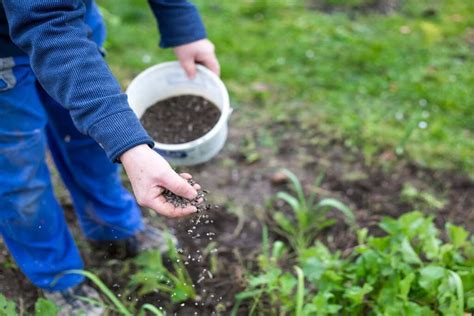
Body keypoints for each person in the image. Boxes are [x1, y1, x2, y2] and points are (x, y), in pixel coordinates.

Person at [0, 0, 220, 314]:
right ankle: (58, 276)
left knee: (89, 139)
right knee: (19, 175)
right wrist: (130, 146)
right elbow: (47, 23)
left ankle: (111, 225)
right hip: (13, 45)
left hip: (72, 19)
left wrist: (181, 22)